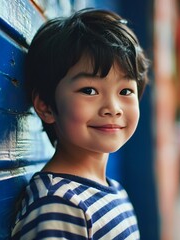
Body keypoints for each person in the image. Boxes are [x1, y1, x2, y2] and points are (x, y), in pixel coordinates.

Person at [11, 8, 150, 239]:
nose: (113, 108)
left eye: (125, 90)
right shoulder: (59, 205)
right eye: (89, 90)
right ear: (46, 106)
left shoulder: (114, 191)